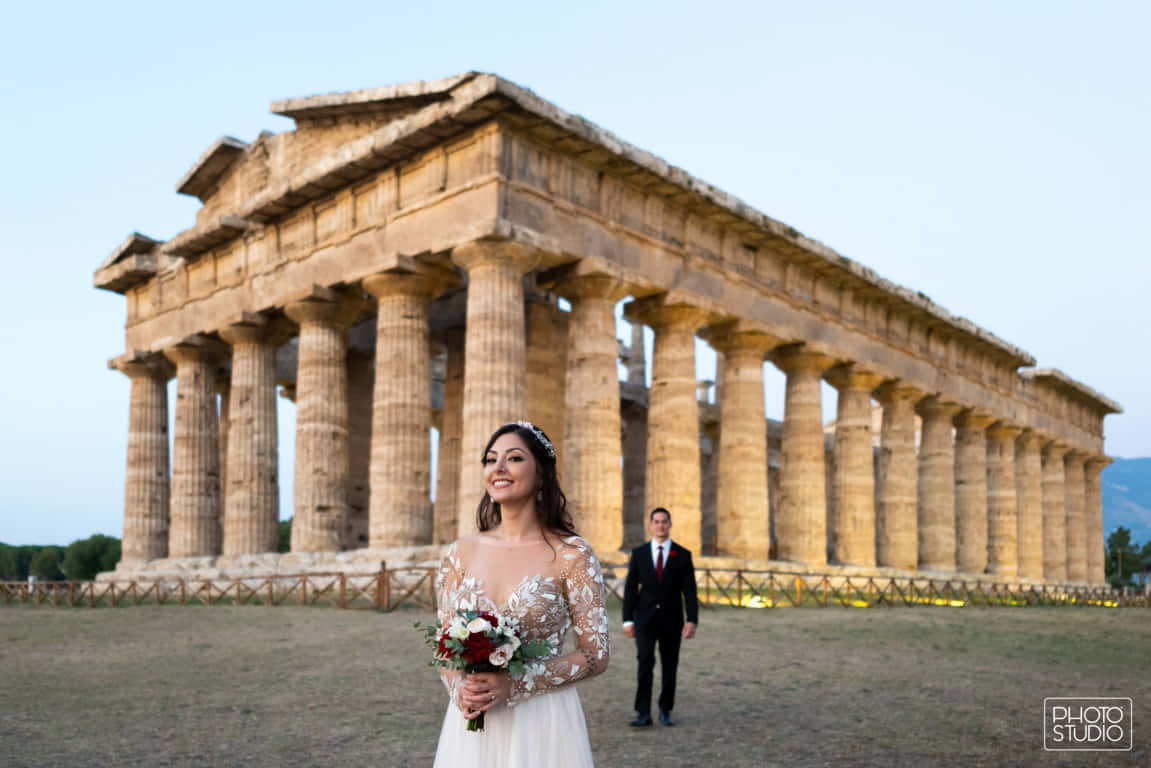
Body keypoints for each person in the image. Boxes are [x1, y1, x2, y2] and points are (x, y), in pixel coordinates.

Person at [433, 421, 610, 768]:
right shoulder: (460, 552)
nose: (497, 468)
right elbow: (444, 645)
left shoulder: (572, 553)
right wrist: (460, 691)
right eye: (490, 459)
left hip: (542, 722)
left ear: (542, 474)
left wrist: (515, 683)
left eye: (513, 458)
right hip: (472, 728)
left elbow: (595, 654)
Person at [622, 507, 699, 727]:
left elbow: (690, 591)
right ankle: (643, 713)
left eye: (664, 521)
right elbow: (630, 589)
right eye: (656, 521)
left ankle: (666, 710)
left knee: (669, 666)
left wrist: (691, 619)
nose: (660, 525)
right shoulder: (639, 553)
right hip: (644, 619)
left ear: (670, 524)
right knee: (645, 663)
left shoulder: (683, 555)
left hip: (672, 619)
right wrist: (627, 620)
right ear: (651, 524)